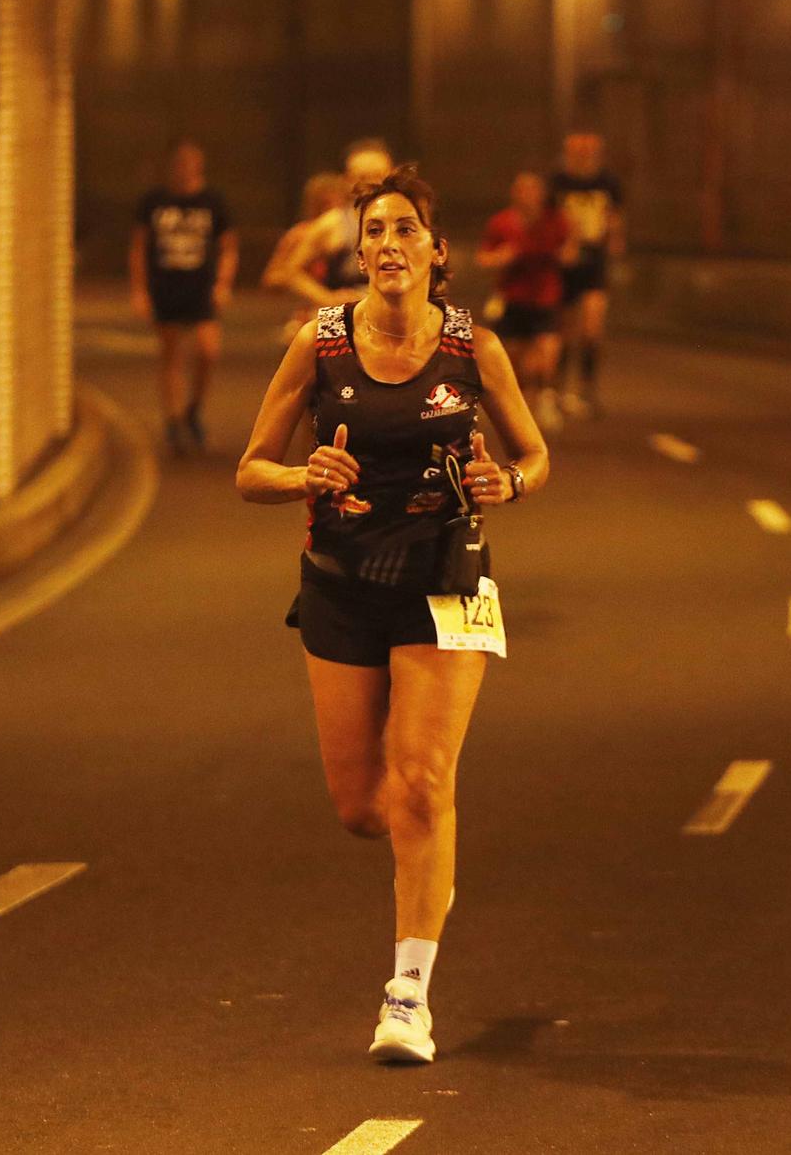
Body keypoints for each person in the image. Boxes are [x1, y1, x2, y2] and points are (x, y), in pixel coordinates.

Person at [236, 164, 550, 1064]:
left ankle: (407, 995)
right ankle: (428, 855)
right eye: (373, 231)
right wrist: (307, 475)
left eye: (405, 229)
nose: (387, 245)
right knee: (363, 810)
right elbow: (251, 469)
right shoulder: (319, 343)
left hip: (445, 577)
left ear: (436, 251)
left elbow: (533, 453)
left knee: (423, 777)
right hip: (339, 584)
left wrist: (510, 482)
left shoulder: (473, 350)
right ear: (358, 250)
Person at [129, 138, 238, 455]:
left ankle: (194, 408)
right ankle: (174, 419)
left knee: (207, 351)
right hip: (165, 286)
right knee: (170, 353)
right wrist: (139, 290)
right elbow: (138, 247)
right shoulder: (154, 202)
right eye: (179, 163)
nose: (184, 169)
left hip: (200, 287)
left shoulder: (212, 201)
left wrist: (223, 284)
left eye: (191, 163)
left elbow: (229, 247)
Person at [477, 171, 575, 433]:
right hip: (512, 298)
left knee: (546, 353)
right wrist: (501, 257)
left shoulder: (556, 221)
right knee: (515, 363)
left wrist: (566, 255)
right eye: (522, 190)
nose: (527, 195)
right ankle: (516, 410)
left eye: (533, 190)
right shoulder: (501, 222)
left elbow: (571, 249)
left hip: (545, 296)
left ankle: (545, 397)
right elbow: (483, 258)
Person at [264, 138, 396, 312]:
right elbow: (290, 271)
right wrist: (327, 298)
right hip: (349, 319)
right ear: (348, 180)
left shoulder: (409, 219)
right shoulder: (333, 223)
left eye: (379, 175)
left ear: (392, 175)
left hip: (396, 317)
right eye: (362, 177)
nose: (372, 183)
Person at [550, 131, 625, 418]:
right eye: (577, 152)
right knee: (565, 328)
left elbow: (615, 214)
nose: (583, 157)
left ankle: (586, 387)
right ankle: (556, 388)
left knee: (593, 325)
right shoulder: (559, 182)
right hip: (566, 262)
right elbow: (550, 217)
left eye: (589, 152)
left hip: (595, 259)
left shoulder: (608, 182)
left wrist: (616, 238)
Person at [261, 171, 350, 345]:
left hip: (345, 310)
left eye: (335, 203)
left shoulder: (351, 231)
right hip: (311, 314)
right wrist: (320, 294)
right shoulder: (300, 235)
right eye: (324, 205)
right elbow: (272, 278)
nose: (330, 211)